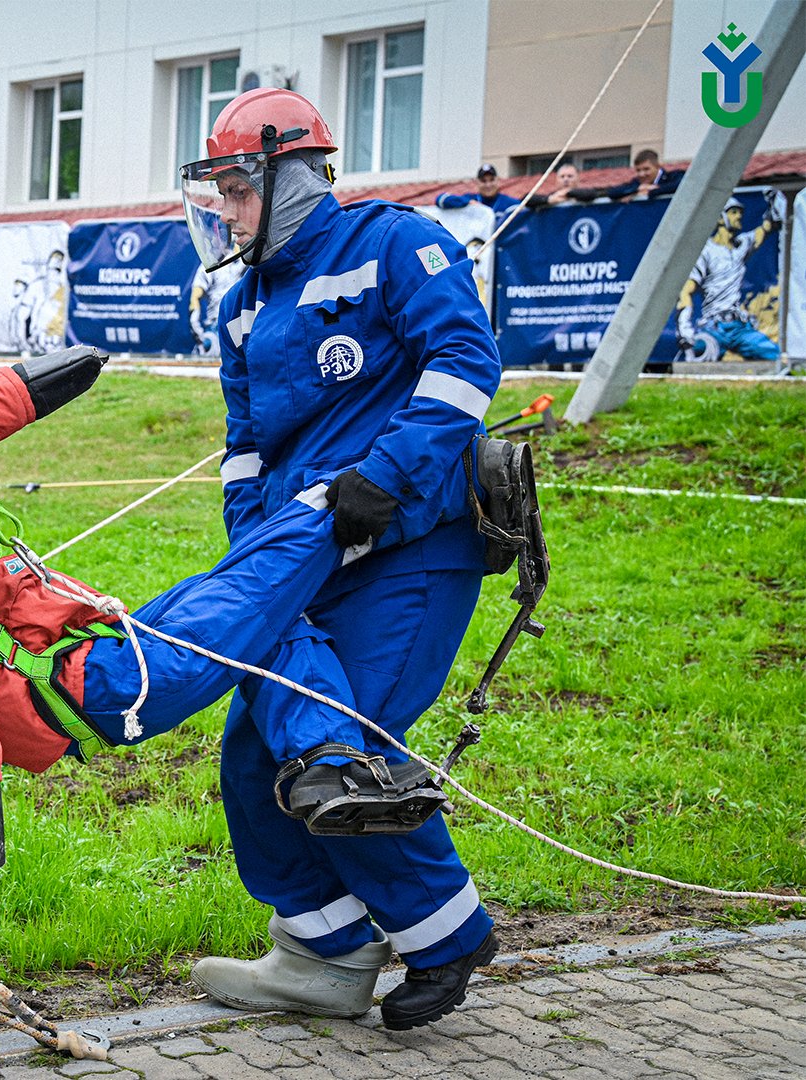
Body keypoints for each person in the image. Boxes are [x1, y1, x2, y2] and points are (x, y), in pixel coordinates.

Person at [0, 330, 453, 893]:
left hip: (87, 657)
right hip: (92, 684)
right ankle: (336, 763)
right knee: (259, 586)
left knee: (272, 628)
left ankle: (330, 775)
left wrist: (31, 387)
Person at [177, 87, 503, 1030]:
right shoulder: (242, 302)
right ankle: (324, 956)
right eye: (220, 195)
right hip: (297, 559)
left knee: (341, 754)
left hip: (410, 547)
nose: (228, 212)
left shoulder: (397, 245)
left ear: (291, 173)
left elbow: (464, 360)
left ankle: (447, 936)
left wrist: (388, 478)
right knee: (253, 761)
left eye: (237, 189)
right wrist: (256, 548)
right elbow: (244, 443)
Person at [676, 192, 785, 361]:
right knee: (696, 355)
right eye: (733, 212)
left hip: (740, 328)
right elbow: (686, 291)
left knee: (777, 357)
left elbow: (766, 227)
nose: (739, 216)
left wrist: (775, 201)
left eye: (740, 212)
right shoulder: (706, 251)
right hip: (714, 329)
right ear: (720, 218)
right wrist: (685, 331)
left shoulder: (742, 245)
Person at [565, 148, 683, 204]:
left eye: (646, 169)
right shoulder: (637, 183)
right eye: (638, 170)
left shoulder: (674, 176)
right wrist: (636, 191)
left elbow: (682, 186)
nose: (642, 174)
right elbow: (613, 192)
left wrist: (653, 191)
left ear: (657, 166)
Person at [435, 163, 518, 215]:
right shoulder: (470, 198)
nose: (488, 185)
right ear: (477, 182)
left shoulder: (508, 203)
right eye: (483, 181)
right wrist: (467, 203)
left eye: (491, 180)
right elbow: (441, 200)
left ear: (498, 181)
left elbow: (523, 209)